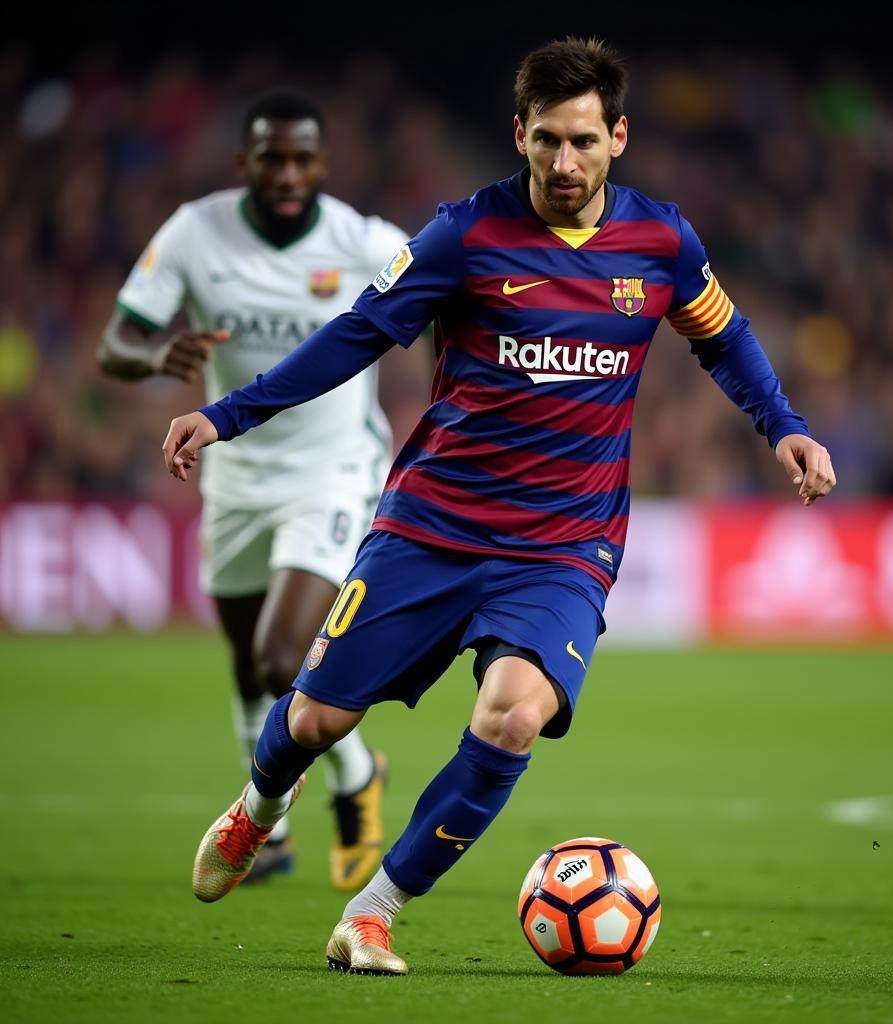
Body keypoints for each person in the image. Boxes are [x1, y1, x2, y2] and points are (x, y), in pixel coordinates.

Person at [162, 38, 836, 976]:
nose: (566, 164)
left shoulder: (663, 242)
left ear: (619, 138)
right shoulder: (464, 236)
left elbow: (724, 339)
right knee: (314, 723)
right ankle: (259, 806)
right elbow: (357, 334)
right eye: (549, 140)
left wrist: (785, 428)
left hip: (565, 544)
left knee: (512, 716)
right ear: (518, 134)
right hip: (433, 528)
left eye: (586, 142)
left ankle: (373, 911)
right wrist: (227, 414)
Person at [99, 90, 407, 891]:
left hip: (335, 469)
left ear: (324, 165)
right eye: (272, 157)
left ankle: (348, 779)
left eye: (304, 158)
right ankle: (281, 834)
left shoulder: (366, 241)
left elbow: (455, 298)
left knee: (280, 659)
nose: (288, 173)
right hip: (233, 472)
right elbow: (118, 340)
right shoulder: (197, 233)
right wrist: (157, 355)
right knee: (244, 661)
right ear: (245, 163)